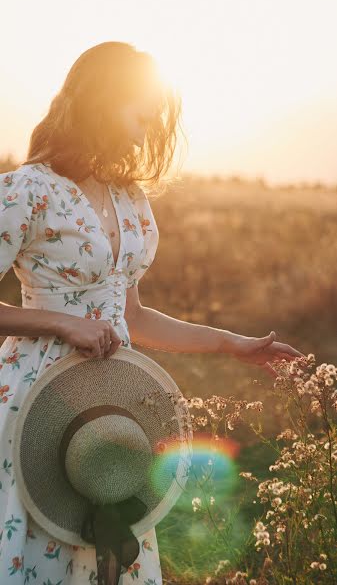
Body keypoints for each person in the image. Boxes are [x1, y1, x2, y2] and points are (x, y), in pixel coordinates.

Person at [0, 41, 303, 584]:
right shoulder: (28, 190)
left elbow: (132, 317)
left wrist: (232, 344)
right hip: (36, 403)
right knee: (39, 553)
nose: (144, 133)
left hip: (114, 403)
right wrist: (59, 321)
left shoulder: (128, 196)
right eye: (139, 117)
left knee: (107, 552)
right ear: (97, 101)